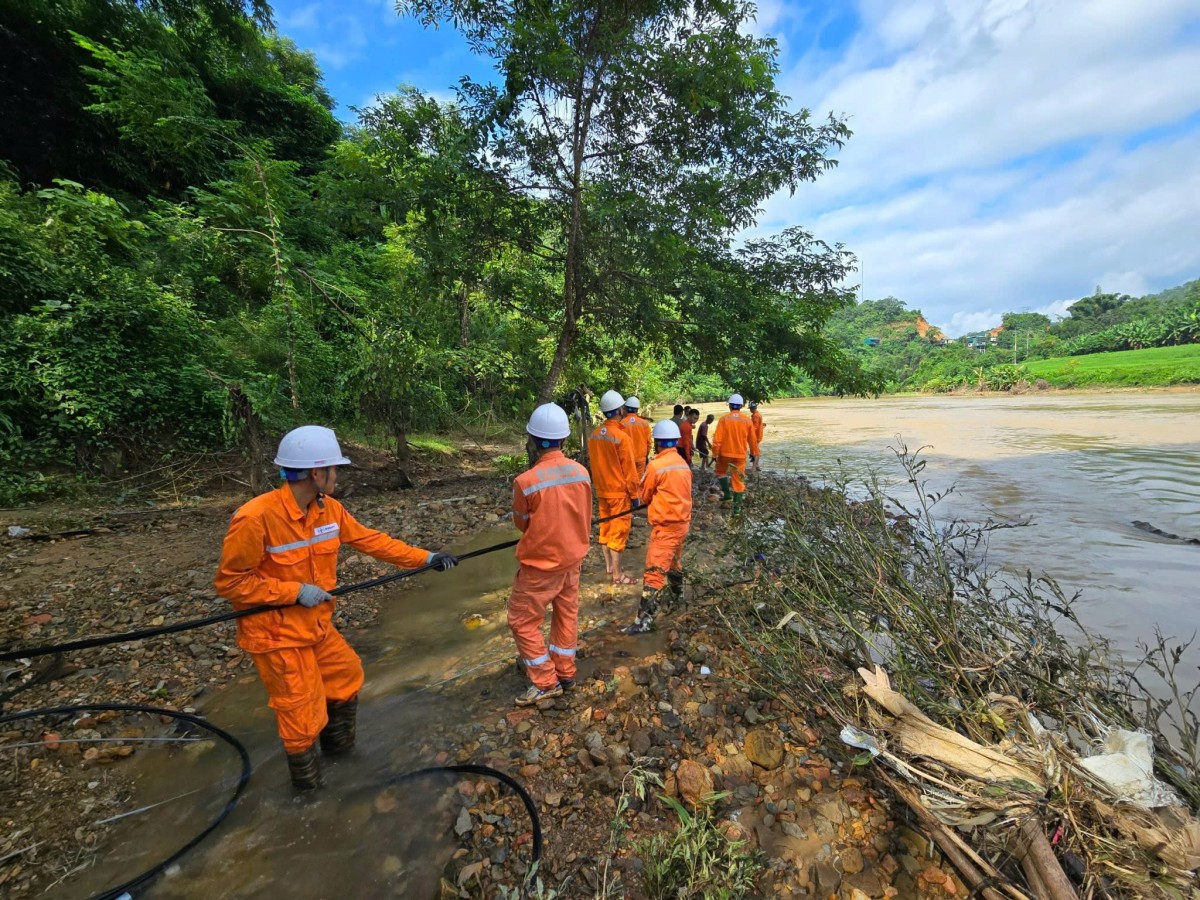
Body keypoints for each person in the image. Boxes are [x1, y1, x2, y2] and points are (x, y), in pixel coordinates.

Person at [214, 426, 459, 791]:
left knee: (345, 676)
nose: (337, 476)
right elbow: (230, 583)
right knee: (301, 715)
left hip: (316, 626)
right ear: (316, 473)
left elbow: (372, 541)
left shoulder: (329, 510)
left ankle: (343, 764)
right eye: (334, 469)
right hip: (277, 636)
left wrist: (426, 558)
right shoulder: (255, 519)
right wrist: (293, 591)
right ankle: (311, 794)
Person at [508, 403, 593, 706]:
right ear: (563, 440)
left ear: (533, 440)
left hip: (539, 567)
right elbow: (584, 515)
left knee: (522, 621)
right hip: (572, 562)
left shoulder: (525, 482)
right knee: (566, 615)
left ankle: (545, 681)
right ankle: (565, 672)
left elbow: (522, 523)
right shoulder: (581, 473)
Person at [626, 420, 693, 634]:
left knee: (654, 572)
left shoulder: (655, 465)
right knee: (674, 563)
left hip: (666, 527)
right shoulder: (683, 463)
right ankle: (677, 597)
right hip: (682, 524)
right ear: (675, 442)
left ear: (657, 443)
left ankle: (644, 622)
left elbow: (644, 495)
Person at [589, 390, 641, 585]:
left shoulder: (594, 436)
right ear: (620, 410)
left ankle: (610, 568)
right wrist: (635, 495)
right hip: (619, 493)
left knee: (605, 529)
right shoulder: (621, 437)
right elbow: (630, 470)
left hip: (602, 491)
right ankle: (618, 575)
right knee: (618, 532)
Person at [711, 394, 760, 514]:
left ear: (730, 406)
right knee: (738, 480)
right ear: (741, 406)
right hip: (740, 456)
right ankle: (736, 509)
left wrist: (714, 454)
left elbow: (717, 440)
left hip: (724, 454)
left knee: (720, 472)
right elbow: (752, 440)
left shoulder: (724, 419)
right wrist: (754, 453)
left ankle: (727, 494)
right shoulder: (747, 420)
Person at [620, 396, 651, 478]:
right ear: (637, 409)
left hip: (627, 459)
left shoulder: (621, 423)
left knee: (628, 480)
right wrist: (645, 455)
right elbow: (649, 442)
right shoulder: (644, 423)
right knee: (639, 483)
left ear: (626, 409)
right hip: (641, 458)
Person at [749, 401, 764, 473]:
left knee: (755, 452)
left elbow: (754, 427)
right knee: (756, 450)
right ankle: (757, 466)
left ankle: (754, 468)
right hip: (757, 436)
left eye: (750, 408)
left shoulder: (755, 416)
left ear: (752, 408)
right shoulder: (758, 414)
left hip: (755, 436)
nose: (749, 410)